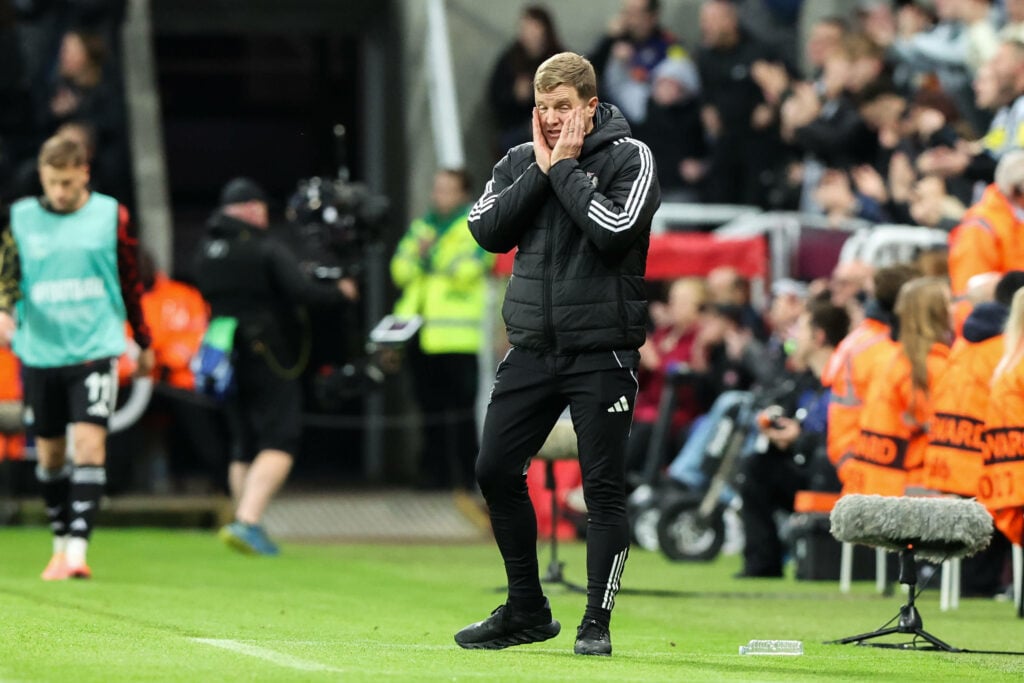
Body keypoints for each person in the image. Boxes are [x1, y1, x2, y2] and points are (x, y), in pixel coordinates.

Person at [456, 51, 660, 656]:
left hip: (604, 350)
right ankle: (526, 608)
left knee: (602, 490)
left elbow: (615, 231)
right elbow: (487, 230)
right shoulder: (521, 159)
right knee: (494, 469)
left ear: (590, 107)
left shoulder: (632, 156)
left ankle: (594, 622)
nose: (549, 119)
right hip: (532, 348)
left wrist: (564, 169)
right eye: (542, 108)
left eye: (563, 108)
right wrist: (543, 171)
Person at [0, 134, 154, 580]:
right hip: (41, 350)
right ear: (42, 178)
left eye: (68, 182)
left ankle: (76, 554)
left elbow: (128, 280)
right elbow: (8, 274)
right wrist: (5, 312)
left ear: (84, 173)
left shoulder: (110, 215)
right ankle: (60, 542)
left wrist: (143, 340)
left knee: (88, 446)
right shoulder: (22, 218)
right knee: (50, 457)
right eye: (52, 183)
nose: (61, 192)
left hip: (94, 347)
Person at [194, 177, 358, 556]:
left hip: (221, 349)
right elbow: (301, 291)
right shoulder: (265, 249)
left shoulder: (206, 249)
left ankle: (241, 520)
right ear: (252, 209)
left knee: (243, 441)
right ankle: (248, 523)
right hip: (264, 350)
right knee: (280, 437)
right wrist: (340, 292)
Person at [390, 168, 493, 490]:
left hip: (458, 338)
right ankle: (434, 475)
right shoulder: (423, 227)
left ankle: (465, 477)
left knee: (460, 412)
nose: (440, 196)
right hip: (419, 332)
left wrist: (430, 258)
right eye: (437, 189)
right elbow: (399, 270)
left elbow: (471, 269)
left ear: (463, 194)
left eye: (447, 190)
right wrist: (429, 259)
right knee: (427, 409)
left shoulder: (476, 226)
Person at [737, 298, 849, 578]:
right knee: (756, 466)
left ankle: (766, 563)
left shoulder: (844, 380)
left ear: (819, 336)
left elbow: (842, 437)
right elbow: (794, 414)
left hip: (834, 475)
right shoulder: (806, 379)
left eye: (800, 329)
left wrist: (800, 439)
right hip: (806, 466)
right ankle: (762, 564)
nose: (793, 337)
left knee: (758, 470)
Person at [487, 5, 565, 156]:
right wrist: (514, 96)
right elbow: (494, 98)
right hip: (518, 125)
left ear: (544, 30)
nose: (528, 33)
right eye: (524, 28)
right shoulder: (510, 59)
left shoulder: (558, 59)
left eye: (533, 28)